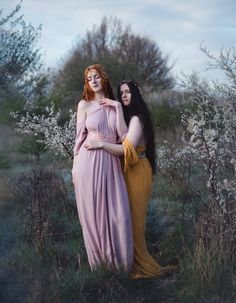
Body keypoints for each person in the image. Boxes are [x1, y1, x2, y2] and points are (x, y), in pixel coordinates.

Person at [84, 79, 168, 279]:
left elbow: (126, 148)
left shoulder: (137, 119)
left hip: (138, 170)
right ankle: (128, 261)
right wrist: (117, 108)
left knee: (134, 221)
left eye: (128, 92)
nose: (124, 96)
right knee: (127, 219)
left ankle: (141, 265)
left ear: (136, 95)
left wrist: (100, 145)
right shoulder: (129, 118)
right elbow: (121, 136)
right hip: (130, 171)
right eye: (121, 92)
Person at [72, 65, 133, 272]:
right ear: (87, 83)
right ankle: (102, 268)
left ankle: (121, 265)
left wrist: (116, 107)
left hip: (111, 162)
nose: (94, 80)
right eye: (90, 78)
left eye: (96, 76)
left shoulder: (116, 105)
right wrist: (74, 168)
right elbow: (79, 139)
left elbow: (124, 138)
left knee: (119, 214)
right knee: (94, 213)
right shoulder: (84, 105)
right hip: (88, 163)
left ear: (103, 78)